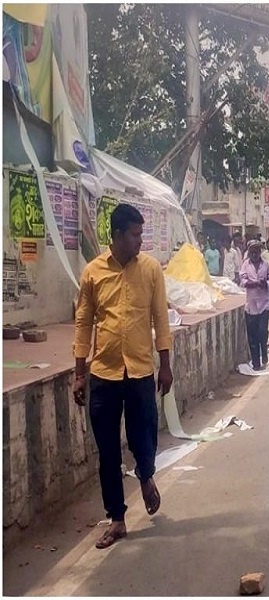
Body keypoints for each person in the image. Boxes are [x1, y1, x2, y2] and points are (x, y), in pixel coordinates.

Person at [72, 204, 172, 549]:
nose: (140, 241)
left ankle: (146, 475)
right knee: (108, 451)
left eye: (142, 234)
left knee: (144, 433)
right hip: (104, 373)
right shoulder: (93, 273)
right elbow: (84, 322)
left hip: (141, 369)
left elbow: (161, 317)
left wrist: (166, 363)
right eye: (134, 234)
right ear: (116, 235)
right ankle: (117, 518)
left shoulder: (151, 270)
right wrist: (79, 373)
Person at [239, 240, 269, 371]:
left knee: (262, 332)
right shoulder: (245, 265)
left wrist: (265, 284)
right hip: (251, 306)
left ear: (260, 252)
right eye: (252, 251)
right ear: (249, 252)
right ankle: (256, 363)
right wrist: (251, 283)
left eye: (257, 251)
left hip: (264, 304)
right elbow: (242, 280)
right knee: (252, 336)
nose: (254, 254)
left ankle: (264, 352)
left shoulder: (266, 265)